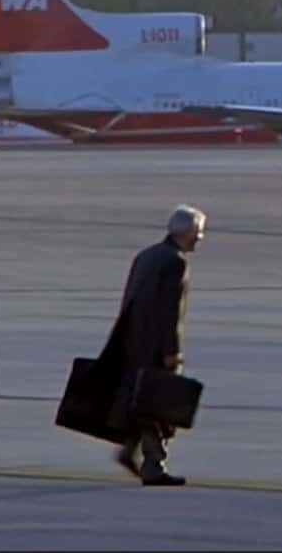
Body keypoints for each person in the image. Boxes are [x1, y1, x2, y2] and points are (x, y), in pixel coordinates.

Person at [103, 204, 204, 486]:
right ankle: (154, 466)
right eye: (199, 232)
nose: (200, 238)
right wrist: (172, 351)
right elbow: (169, 313)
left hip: (133, 339)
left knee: (145, 402)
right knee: (160, 406)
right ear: (187, 233)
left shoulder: (147, 255)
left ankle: (130, 451)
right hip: (155, 346)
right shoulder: (176, 262)